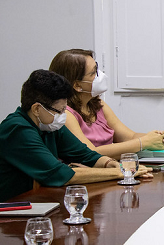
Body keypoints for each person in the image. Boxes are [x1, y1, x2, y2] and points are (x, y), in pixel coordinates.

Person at [0, 70, 153, 202]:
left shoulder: (49, 124)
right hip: (13, 210)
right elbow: (61, 174)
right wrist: (121, 173)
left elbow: (84, 154)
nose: (62, 115)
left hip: (38, 202)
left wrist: (111, 164)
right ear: (36, 109)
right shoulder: (17, 129)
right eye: (59, 111)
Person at [49, 49, 164, 159]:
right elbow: (90, 152)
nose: (100, 75)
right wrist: (143, 143)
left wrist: (157, 138)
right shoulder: (66, 114)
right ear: (77, 85)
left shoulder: (97, 104)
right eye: (93, 73)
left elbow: (129, 136)